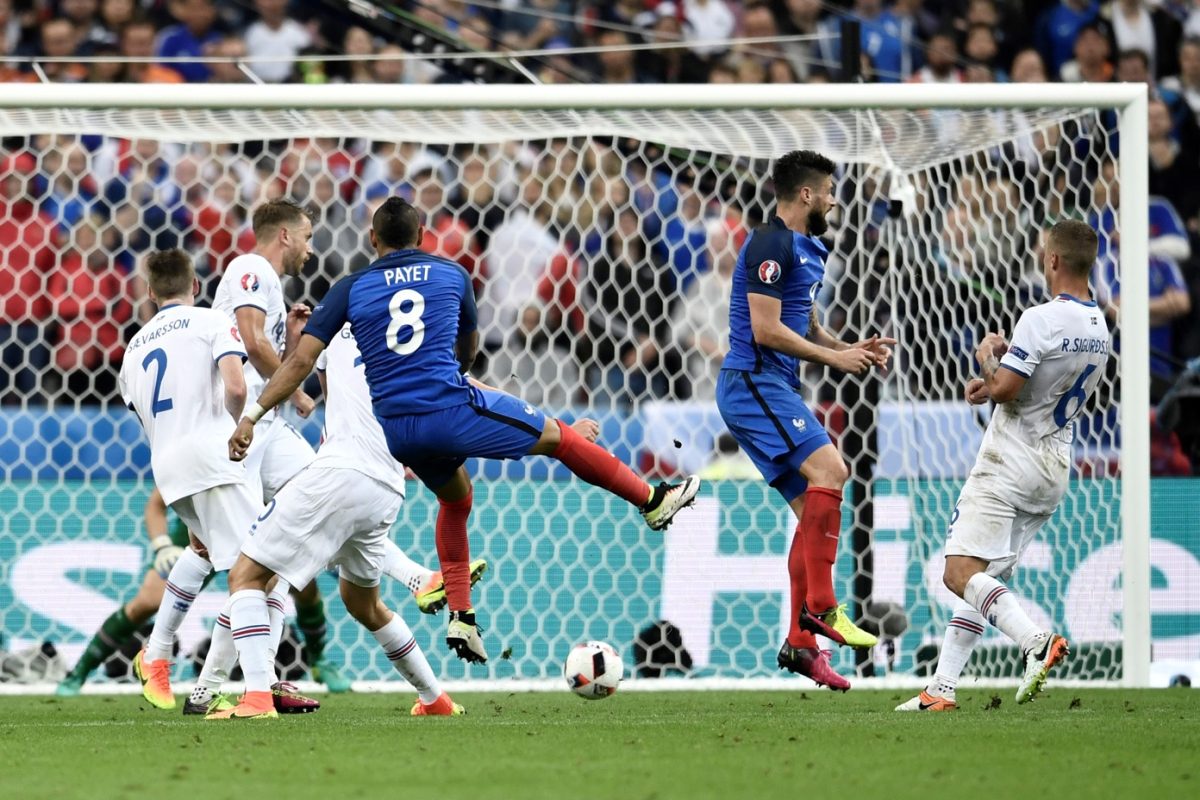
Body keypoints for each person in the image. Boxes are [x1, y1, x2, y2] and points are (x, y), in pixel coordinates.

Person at [227, 196, 701, 666]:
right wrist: (459, 385)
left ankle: (461, 615)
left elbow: (301, 363)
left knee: (456, 498)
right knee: (558, 437)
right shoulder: (451, 274)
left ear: (372, 240)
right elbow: (468, 352)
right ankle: (653, 502)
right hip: (449, 408)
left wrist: (252, 415)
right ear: (422, 236)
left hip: (399, 434)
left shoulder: (350, 289)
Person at [897, 220, 1109, 712]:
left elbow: (1008, 391)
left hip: (1009, 462)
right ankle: (941, 689)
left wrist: (987, 358)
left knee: (958, 573)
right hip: (1054, 465)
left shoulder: (1040, 319)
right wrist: (991, 383)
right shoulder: (1098, 325)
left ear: (1052, 259)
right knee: (985, 578)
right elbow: (1026, 388)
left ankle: (1036, 642)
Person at [204, 325, 466, 719]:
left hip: (339, 472)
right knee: (364, 604)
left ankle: (256, 698)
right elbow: (454, 388)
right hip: (387, 487)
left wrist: (254, 416)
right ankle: (435, 700)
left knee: (247, 575)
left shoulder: (337, 323)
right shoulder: (411, 335)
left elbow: (301, 367)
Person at [715, 150, 894, 692]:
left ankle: (800, 643)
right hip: (752, 383)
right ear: (808, 195)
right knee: (833, 470)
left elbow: (803, 318)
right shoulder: (770, 242)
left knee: (813, 513)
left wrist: (845, 345)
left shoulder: (807, 247)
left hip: (773, 387)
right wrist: (837, 362)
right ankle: (822, 608)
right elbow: (766, 329)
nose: (837, 201)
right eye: (831, 191)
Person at [118, 249, 254, 711]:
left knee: (201, 553)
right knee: (255, 573)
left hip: (169, 466)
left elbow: (144, 421)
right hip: (212, 456)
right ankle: (227, 688)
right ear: (195, 286)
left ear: (151, 293)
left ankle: (156, 656)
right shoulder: (212, 321)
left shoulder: (132, 350)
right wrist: (244, 426)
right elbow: (236, 387)